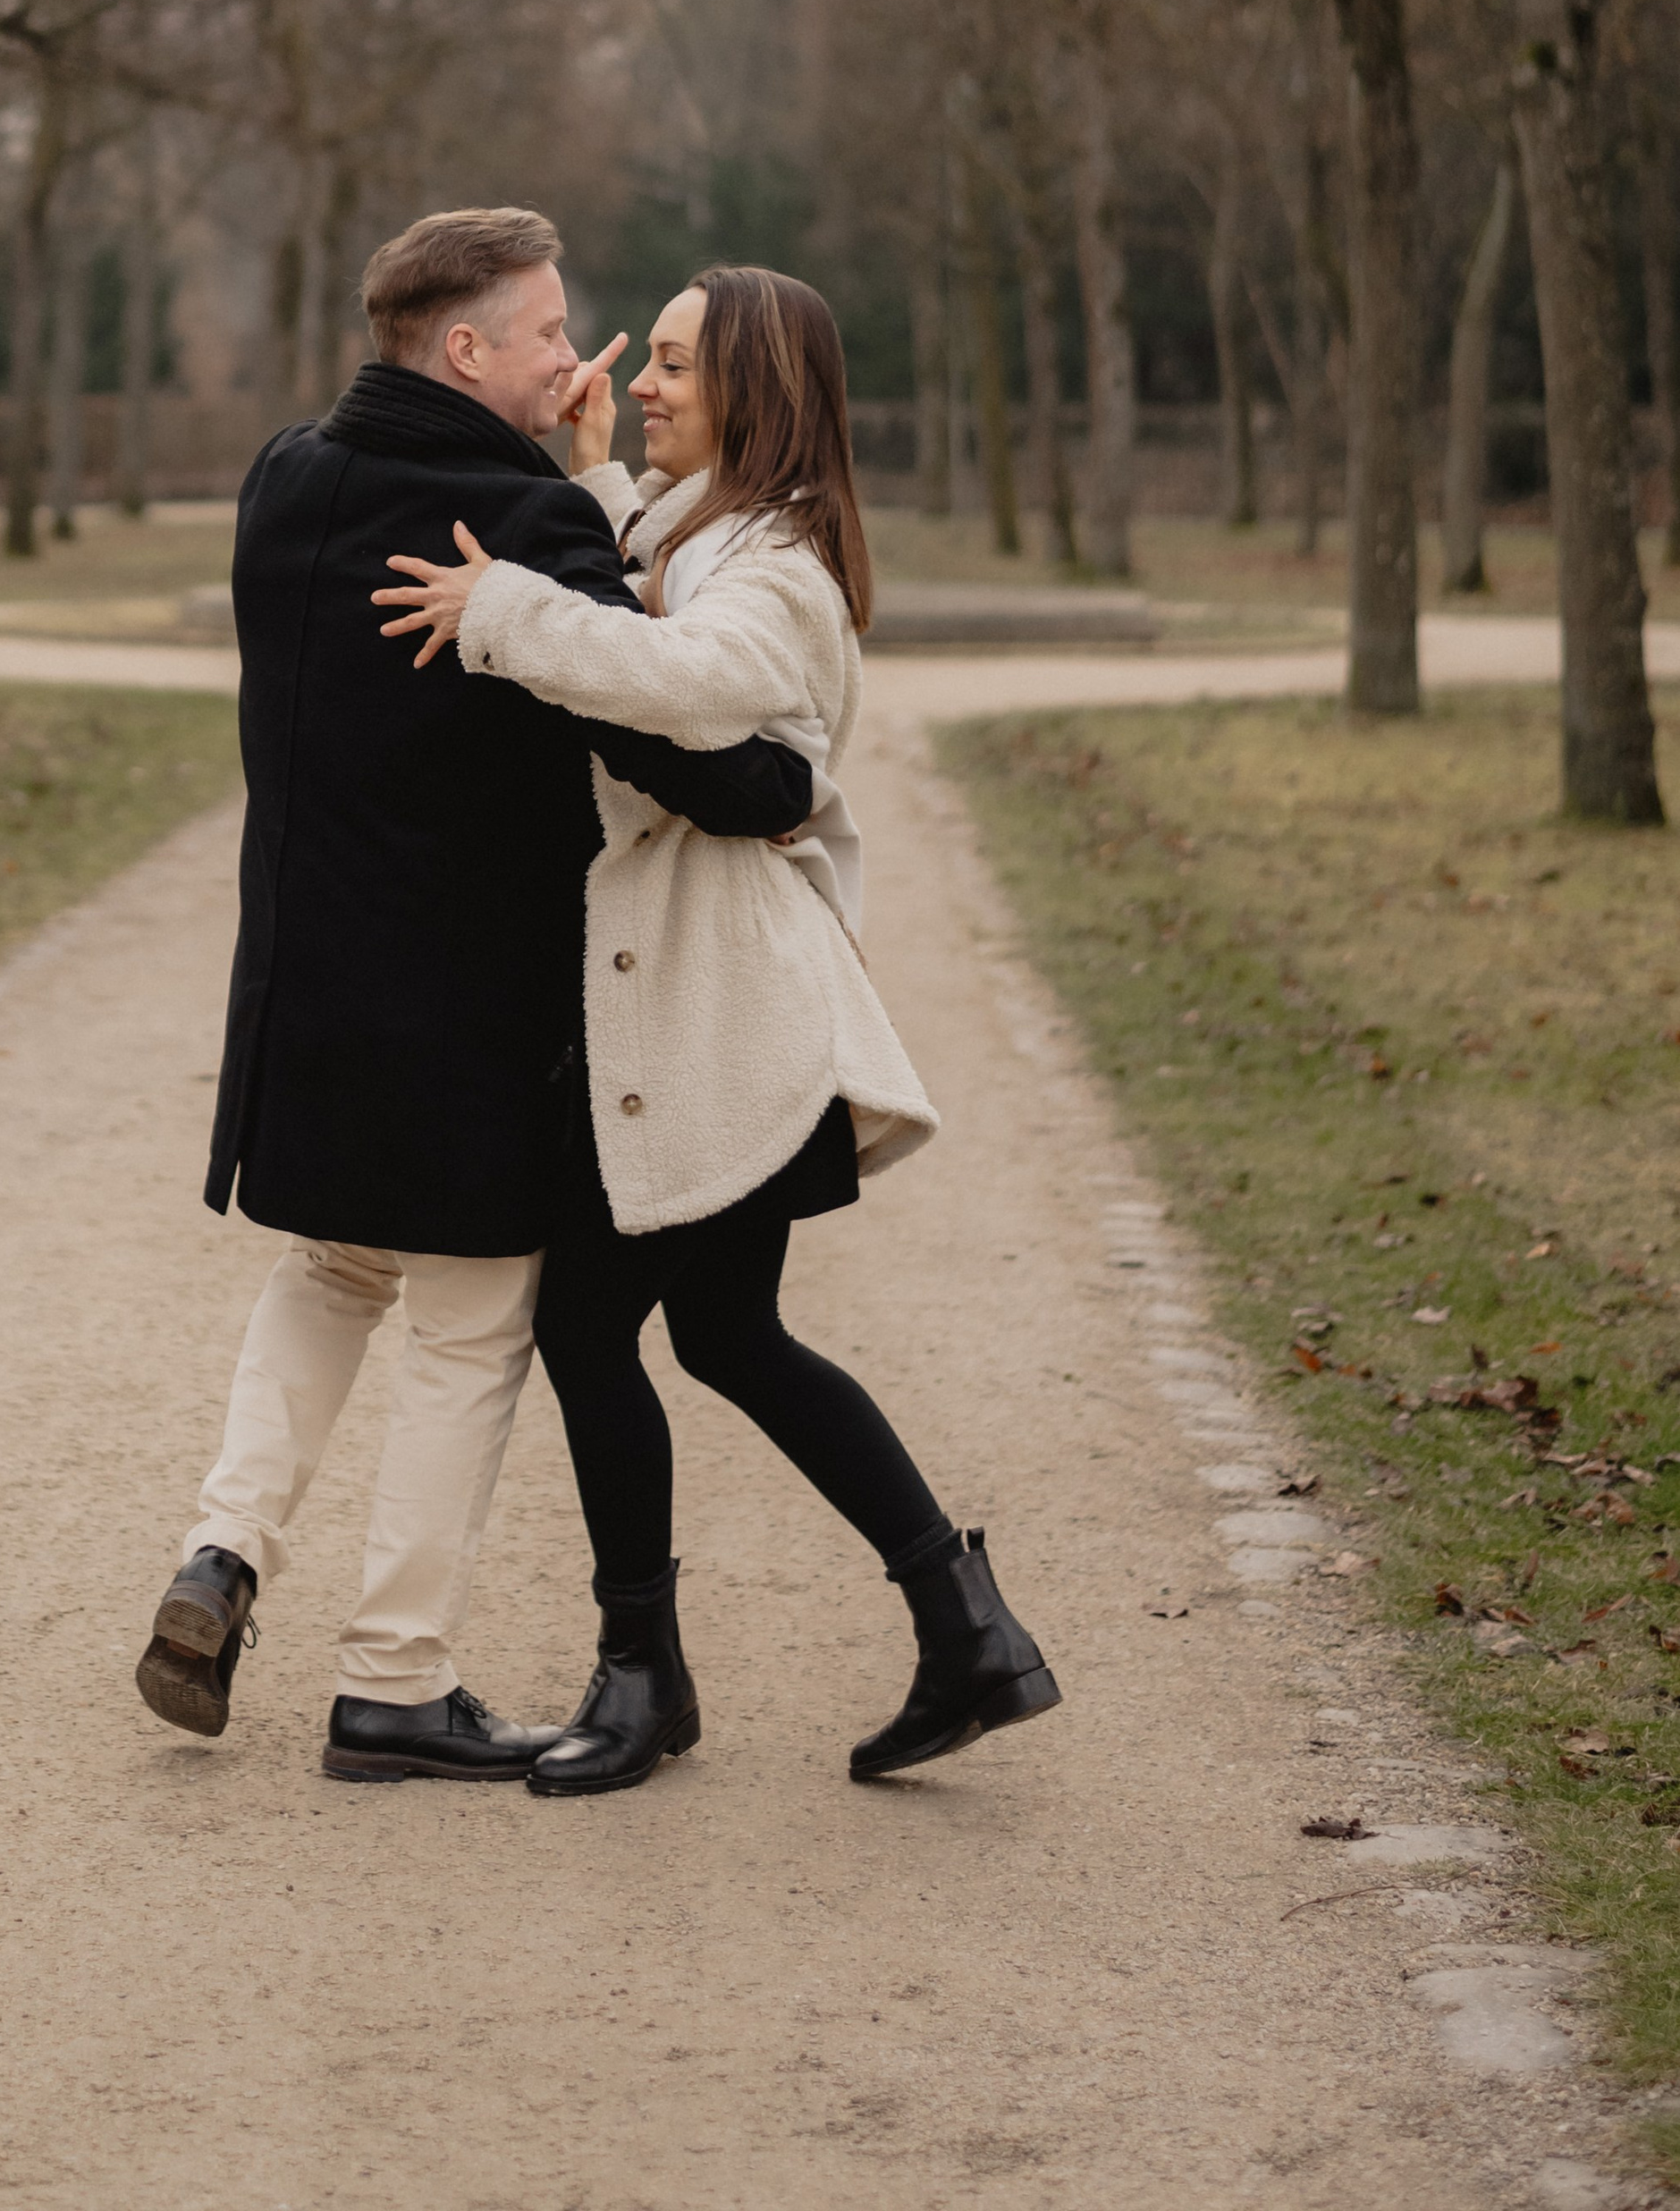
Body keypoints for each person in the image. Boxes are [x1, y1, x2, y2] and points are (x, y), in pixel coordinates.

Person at [138, 208, 818, 1781]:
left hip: (301, 992)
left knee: (329, 1271)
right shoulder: (519, 514)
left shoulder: (281, 477)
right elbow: (671, 736)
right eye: (548, 333)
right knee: (469, 1321)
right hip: (464, 1020)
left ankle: (222, 1555)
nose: (577, 361)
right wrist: (781, 781)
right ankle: (394, 1677)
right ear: (467, 349)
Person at [376, 262, 1059, 1796]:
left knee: (589, 1322)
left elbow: (676, 669)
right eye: (653, 359)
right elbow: (640, 582)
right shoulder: (707, 530)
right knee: (733, 1334)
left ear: (761, 390)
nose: (655, 379)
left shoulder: (784, 575)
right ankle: (965, 1632)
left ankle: (646, 1676)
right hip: (709, 1010)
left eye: (681, 362)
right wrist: (591, 467)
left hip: (732, 1018)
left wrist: (500, 606)